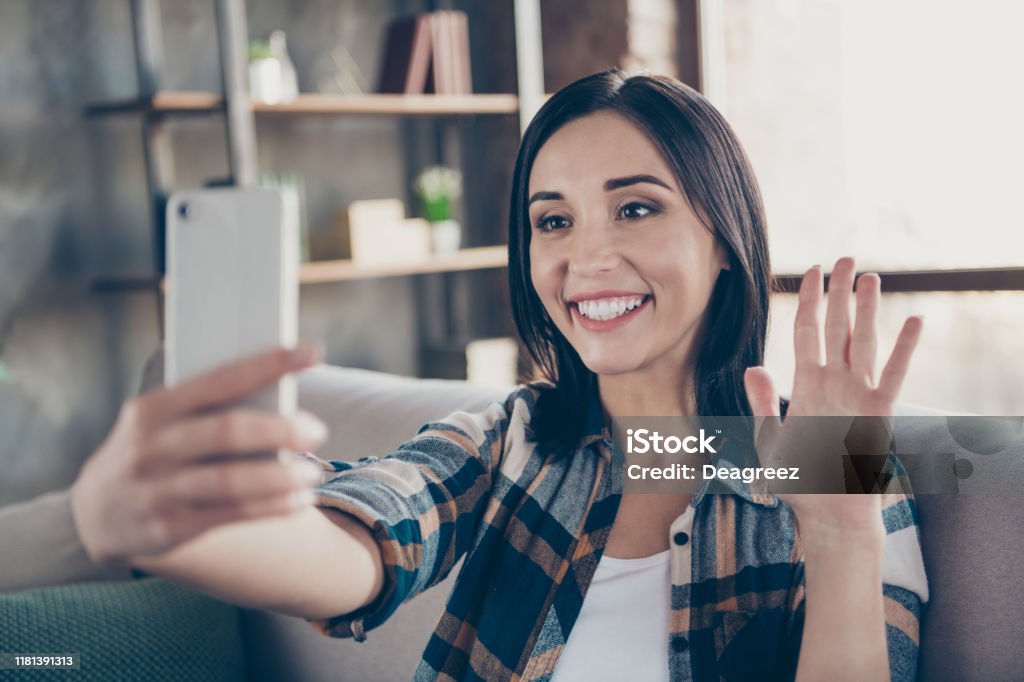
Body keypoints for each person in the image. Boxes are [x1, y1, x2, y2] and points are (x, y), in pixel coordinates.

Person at [6, 69, 928, 681]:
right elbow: (356, 547)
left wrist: (844, 533)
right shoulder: (512, 438)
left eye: (636, 208)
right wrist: (150, 523)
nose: (586, 258)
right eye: (553, 221)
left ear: (725, 240)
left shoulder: (822, 456)